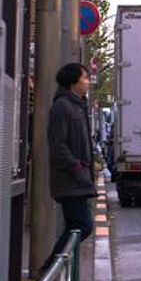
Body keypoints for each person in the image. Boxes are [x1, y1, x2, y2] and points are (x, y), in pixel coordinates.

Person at [49, 63, 96, 241]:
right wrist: (76, 166)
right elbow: (57, 144)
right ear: (72, 82)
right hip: (70, 179)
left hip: (77, 179)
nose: (88, 82)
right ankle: (52, 266)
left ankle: (58, 266)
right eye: (84, 78)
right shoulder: (63, 106)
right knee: (82, 226)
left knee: (76, 227)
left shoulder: (77, 105)